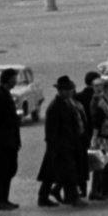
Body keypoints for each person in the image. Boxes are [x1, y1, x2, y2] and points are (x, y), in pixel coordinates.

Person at [35, 76, 87, 208]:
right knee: (70, 172)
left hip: (69, 143)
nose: (70, 91)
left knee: (50, 173)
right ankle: (74, 198)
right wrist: (55, 148)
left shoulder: (68, 102)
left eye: (70, 89)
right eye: (68, 89)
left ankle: (43, 197)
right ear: (61, 91)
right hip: (60, 146)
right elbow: (51, 131)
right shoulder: (54, 107)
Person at [0, 67, 21, 211]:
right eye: (14, 78)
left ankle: (4, 199)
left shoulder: (5, 94)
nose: (16, 81)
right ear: (8, 79)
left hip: (10, 141)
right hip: (3, 142)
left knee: (9, 170)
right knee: (1, 172)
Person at [75, 71, 100, 198]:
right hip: (96, 132)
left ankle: (82, 188)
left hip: (81, 134)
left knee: (81, 161)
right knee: (98, 161)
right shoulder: (99, 98)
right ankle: (97, 189)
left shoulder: (78, 96)